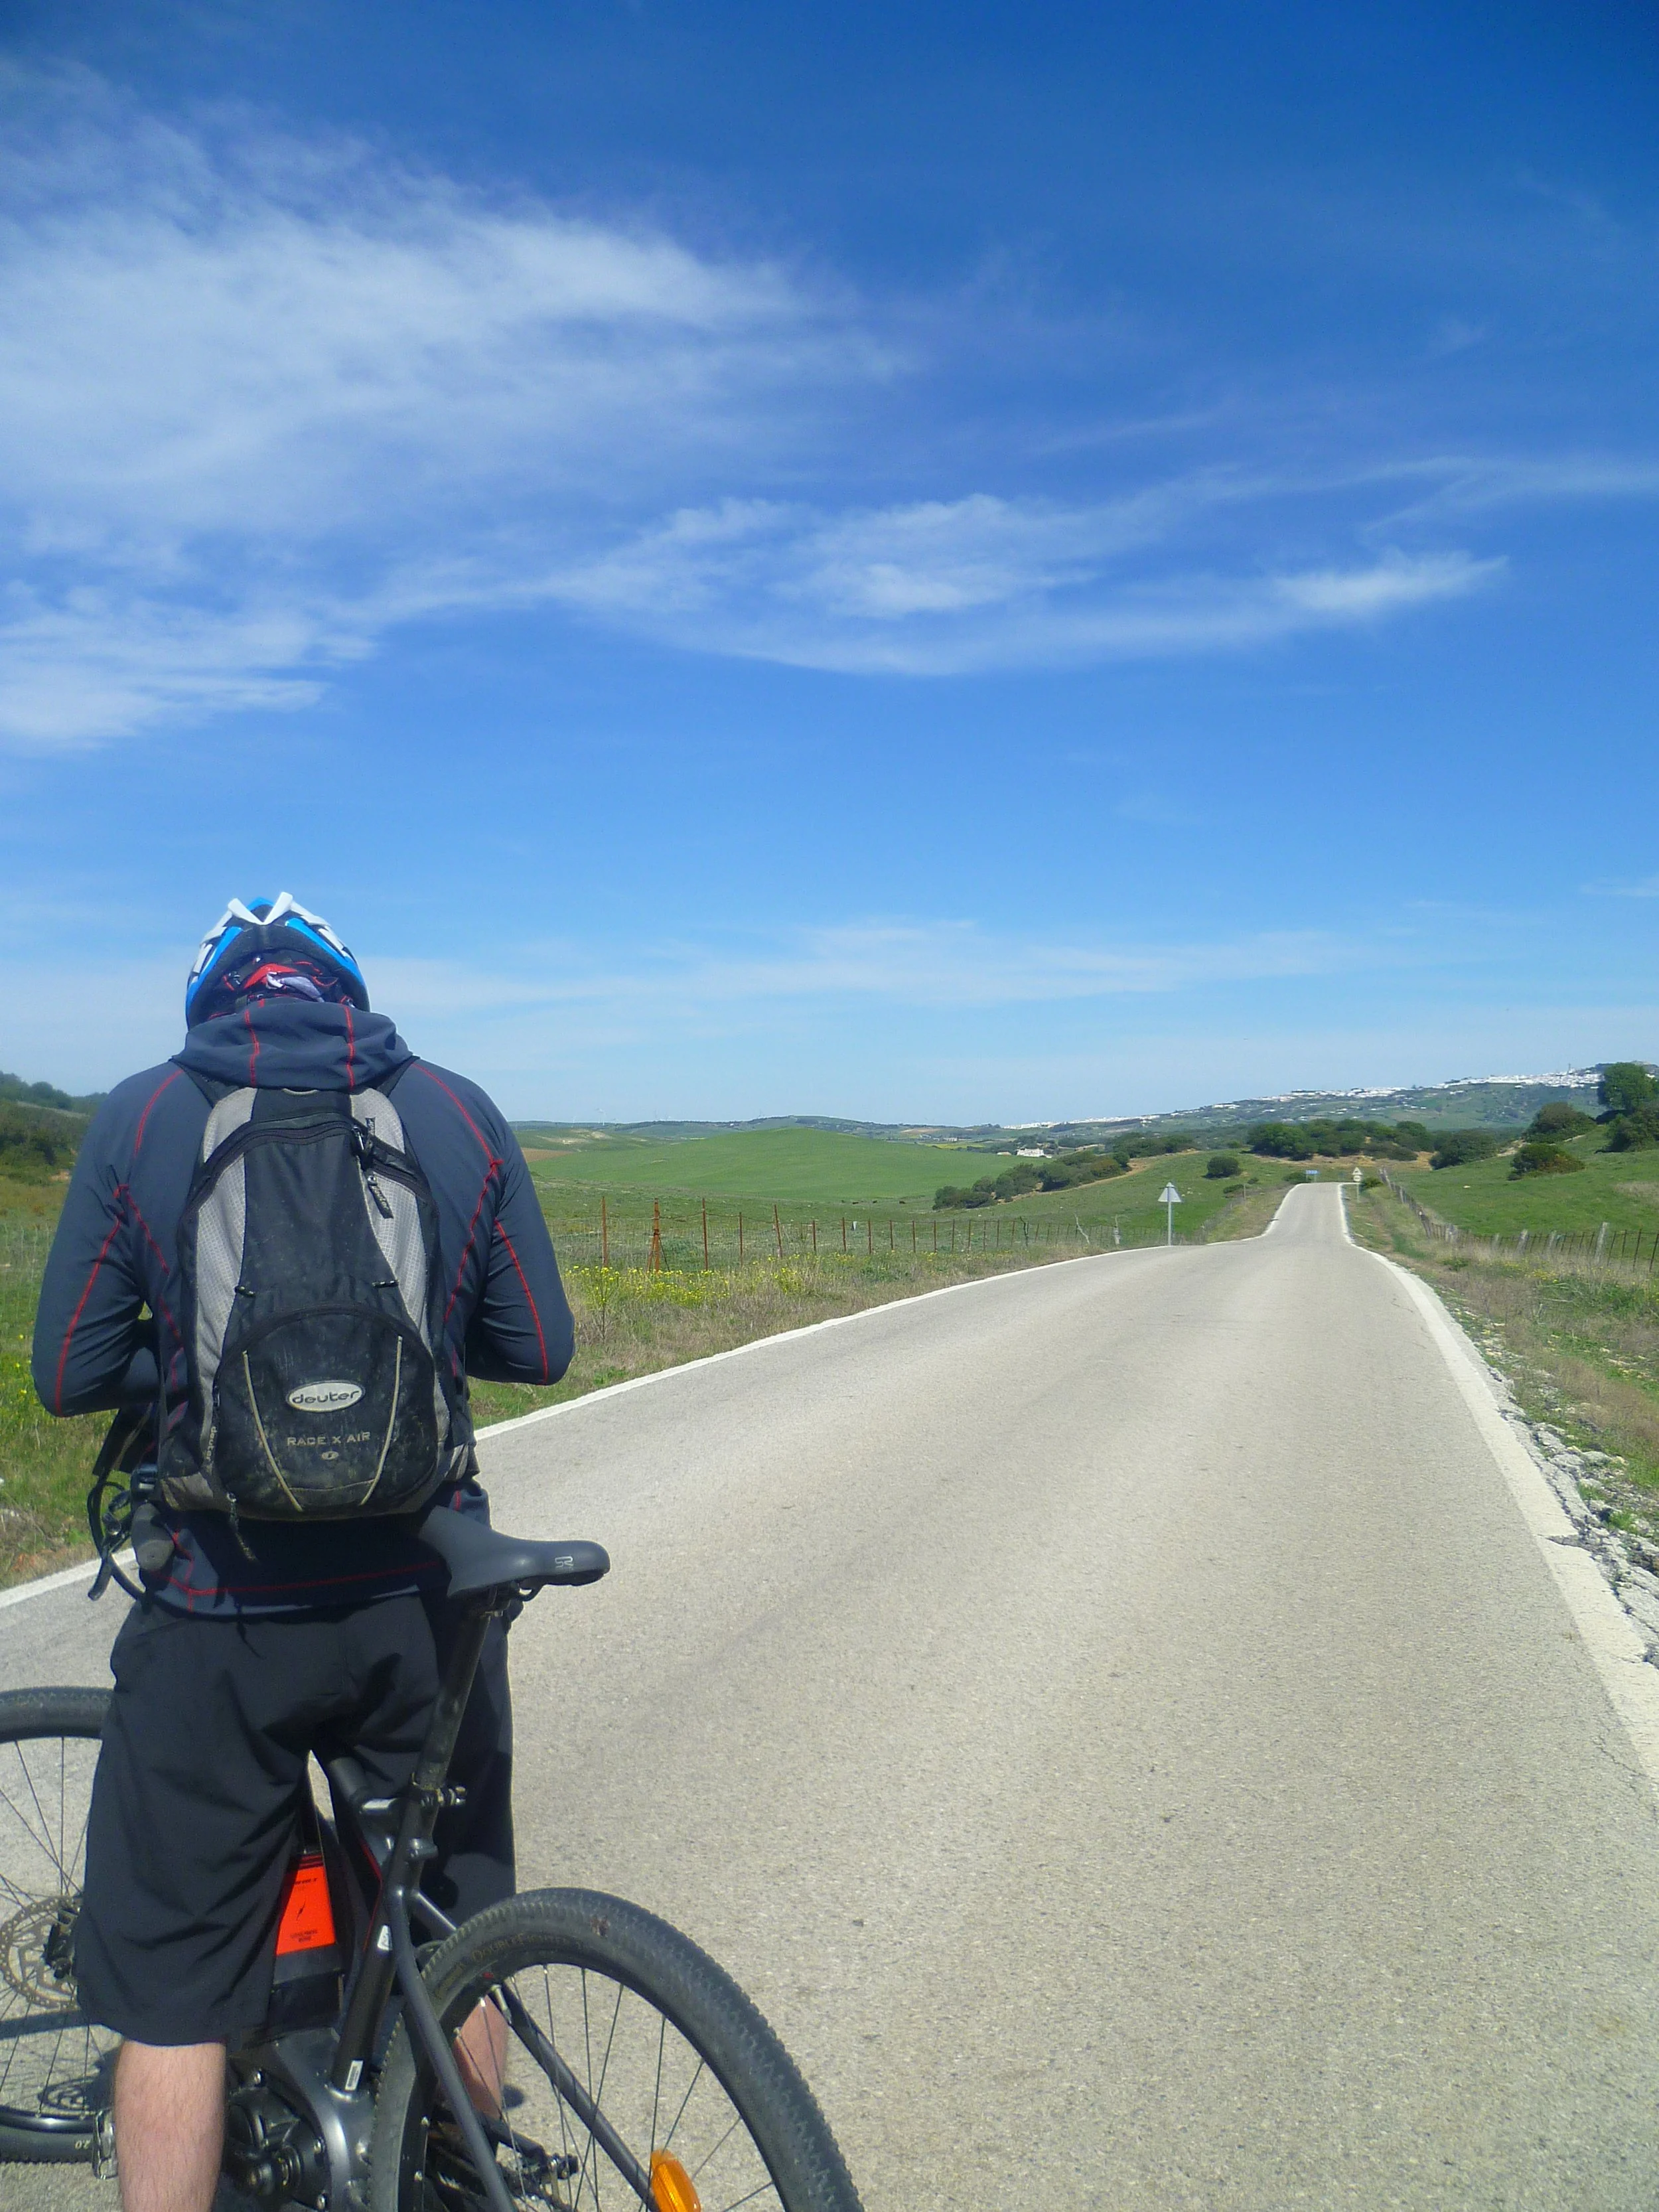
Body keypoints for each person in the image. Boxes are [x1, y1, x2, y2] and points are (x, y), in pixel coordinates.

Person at [32, 893, 574, 2212]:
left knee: (170, 1995)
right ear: (349, 992)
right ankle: (459, 2176)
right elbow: (541, 1346)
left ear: (215, 998)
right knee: (449, 1925)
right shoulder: (451, 1107)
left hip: (222, 1612)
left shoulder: (146, 1114)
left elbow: (65, 1372)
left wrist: (199, 1372)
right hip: (421, 1601)